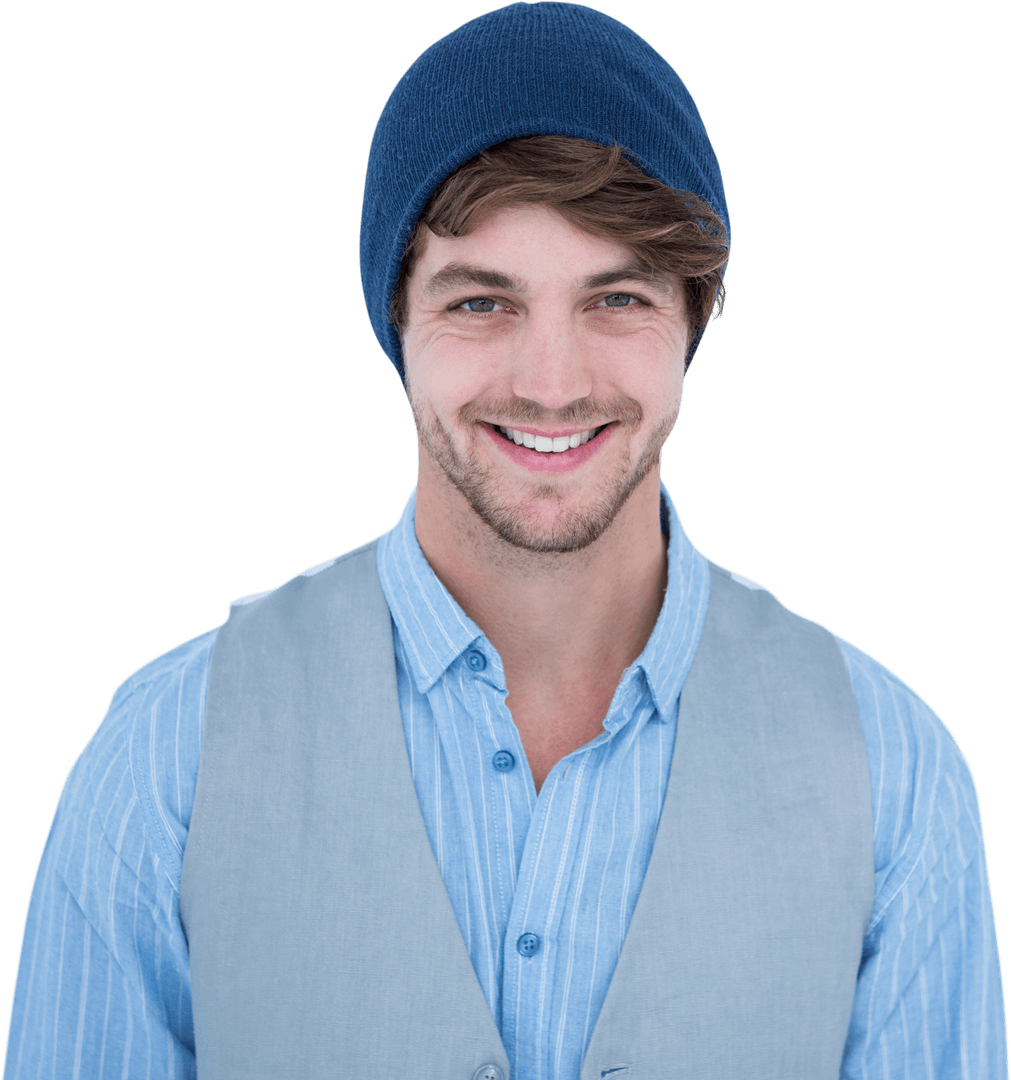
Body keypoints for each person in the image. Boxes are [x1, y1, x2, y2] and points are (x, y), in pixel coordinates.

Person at [3, 3, 1006, 1078]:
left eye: (617, 295)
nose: (553, 383)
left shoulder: (895, 777)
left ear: (696, 315)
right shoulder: (165, 762)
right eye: (482, 301)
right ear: (396, 320)